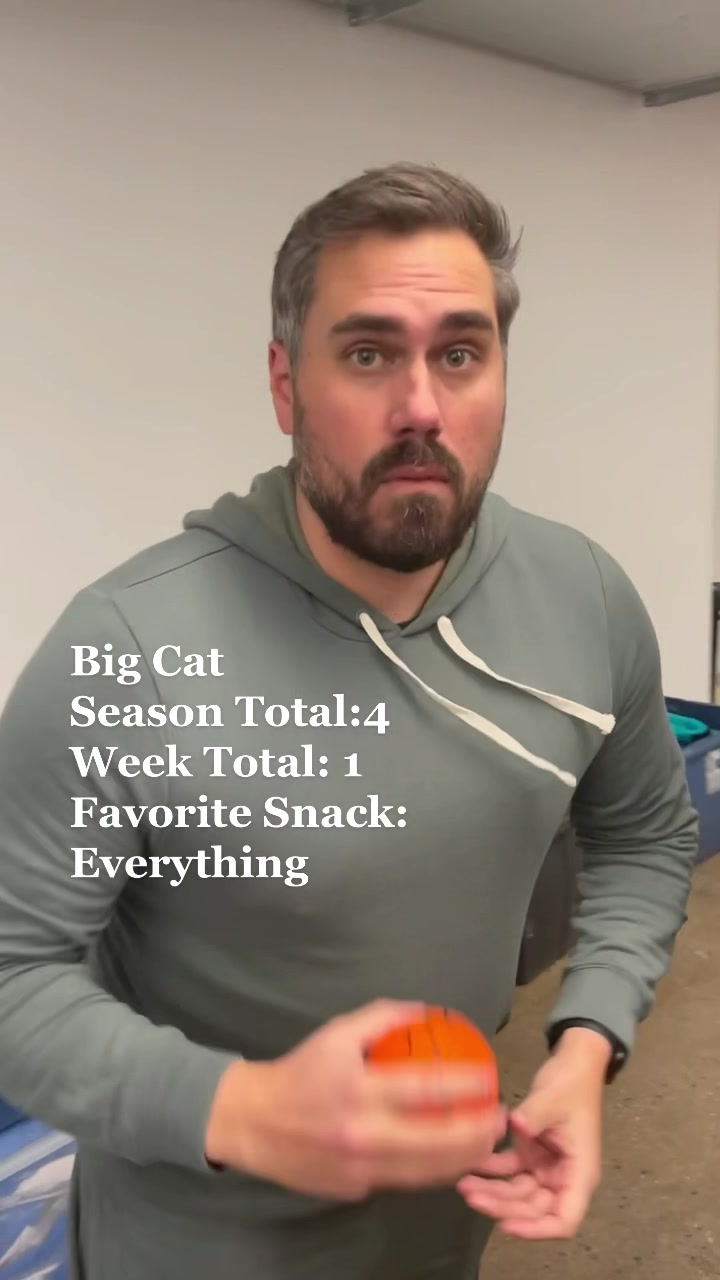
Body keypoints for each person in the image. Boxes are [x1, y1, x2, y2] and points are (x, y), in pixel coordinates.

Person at [0, 161, 698, 1280]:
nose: (421, 406)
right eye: (368, 353)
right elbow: (11, 974)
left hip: (443, 1228)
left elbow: (645, 832)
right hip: (190, 1249)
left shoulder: (584, 596)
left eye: (460, 353)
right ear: (286, 386)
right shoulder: (129, 646)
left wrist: (584, 1045)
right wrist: (247, 1109)